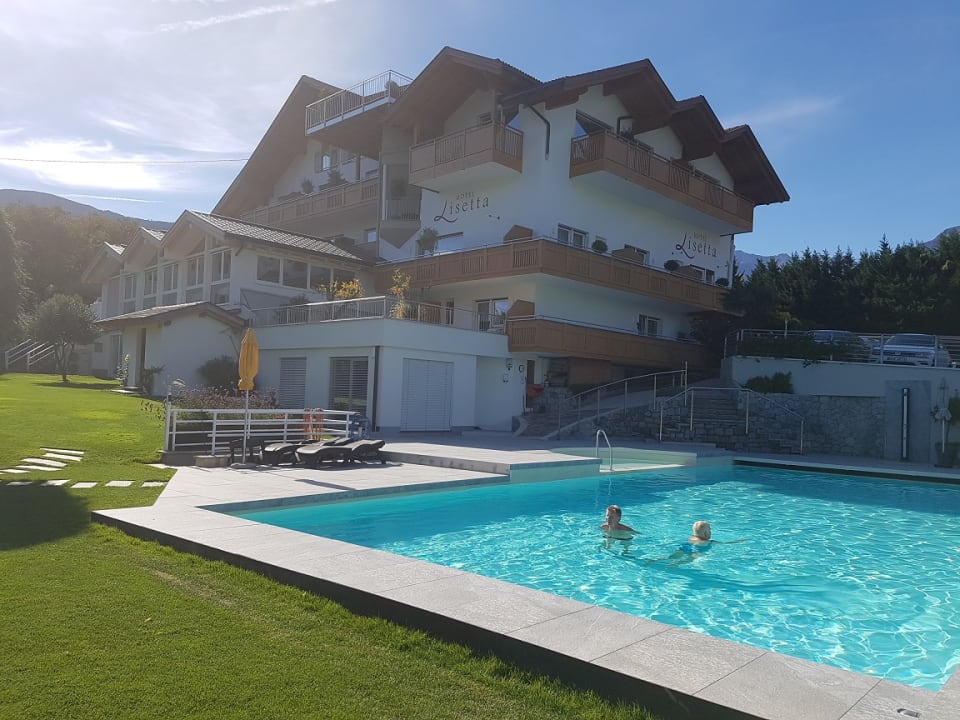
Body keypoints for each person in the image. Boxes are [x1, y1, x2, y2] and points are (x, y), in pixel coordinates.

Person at [647, 520, 745, 567]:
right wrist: (738, 541)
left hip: (684, 547)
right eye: (709, 530)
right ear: (706, 533)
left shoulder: (691, 538)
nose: (710, 531)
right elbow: (726, 543)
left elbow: (692, 544)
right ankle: (674, 565)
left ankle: (655, 560)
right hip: (696, 551)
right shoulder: (710, 542)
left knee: (671, 557)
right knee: (689, 560)